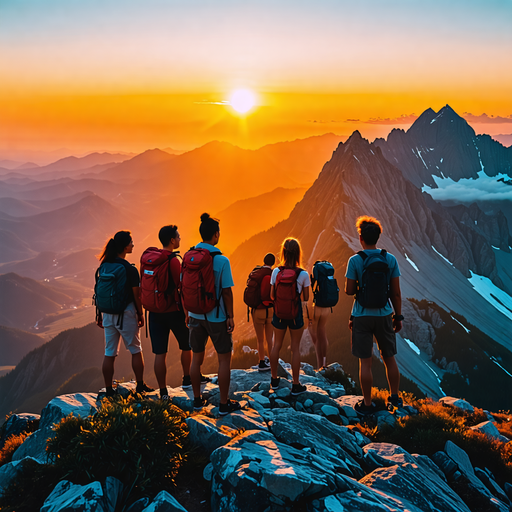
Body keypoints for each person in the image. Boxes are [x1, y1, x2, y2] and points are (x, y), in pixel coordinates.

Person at [344, 216, 403, 414]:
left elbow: (350, 291)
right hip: (384, 314)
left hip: (361, 315)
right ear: (378, 237)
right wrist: (398, 316)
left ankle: (367, 404)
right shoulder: (390, 259)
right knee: (389, 358)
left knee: (365, 362)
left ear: (361, 238)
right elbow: (395, 292)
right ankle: (395, 399)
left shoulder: (355, 260)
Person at [187, 213, 241, 416]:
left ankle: (197, 400)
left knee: (196, 359)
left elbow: (185, 288)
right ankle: (224, 403)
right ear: (216, 235)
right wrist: (231, 316)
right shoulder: (221, 260)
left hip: (195, 315)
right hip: (216, 316)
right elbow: (227, 291)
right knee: (224, 359)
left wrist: (188, 312)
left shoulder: (189, 257)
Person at [96, 231, 153, 397]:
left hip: (107, 313)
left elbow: (101, 292)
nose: (133, 245)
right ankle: (140, 386)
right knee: (135, 349)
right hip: (126, 313)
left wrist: (100, 314)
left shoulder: (105, 264)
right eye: (131, 242)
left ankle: (108, 390)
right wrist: (140, 314)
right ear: (125, 246)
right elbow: (136, 295)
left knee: (109, 352)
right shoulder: (129, 269)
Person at [146, 225, 194, 400]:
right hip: (174, 310)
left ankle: (163, 392)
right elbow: (181, 287)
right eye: (178, 236)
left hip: (154, 311)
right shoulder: (173, 261)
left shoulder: (152, 259)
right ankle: (187, 378)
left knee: (160, 353)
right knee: (186, 345)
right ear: (172, 240)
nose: (180, 238)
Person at [269, 237, 310, 395]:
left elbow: (272, 295)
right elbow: (305, 298)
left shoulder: (276, 272)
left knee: (276, 345)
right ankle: (296, 384)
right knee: (295, 348)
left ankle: (274, 380)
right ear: (298, 253)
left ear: (283, 253)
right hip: (295, 315)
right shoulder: (303, 274)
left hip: (279, 313)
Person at [250, 252, 275, 372]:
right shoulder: (274, 274)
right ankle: (272, 362)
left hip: (258, 310)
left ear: (264, 261)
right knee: (269, 339)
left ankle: (261, 363)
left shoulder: (256, 273)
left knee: (260, 339)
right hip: (270, 310)